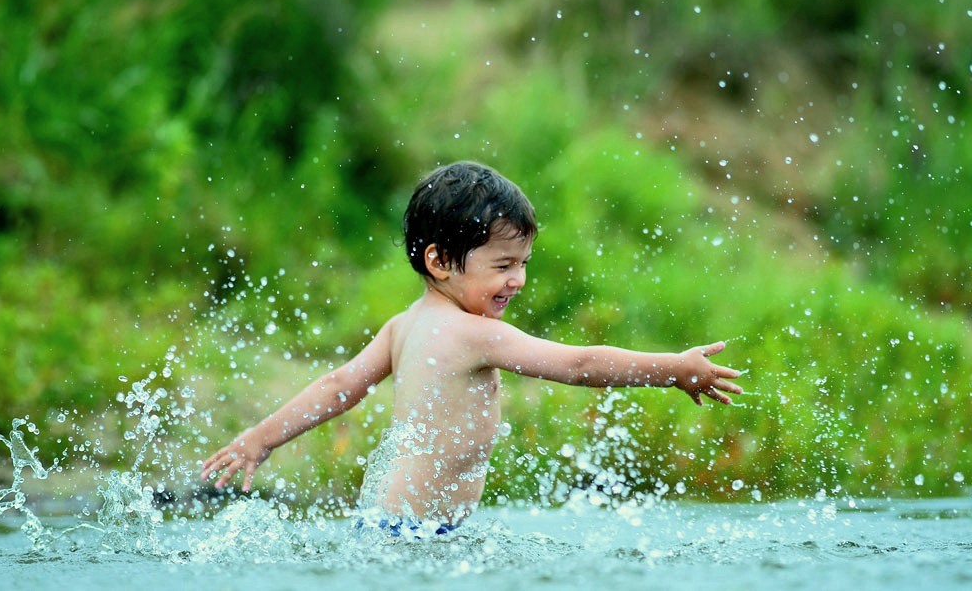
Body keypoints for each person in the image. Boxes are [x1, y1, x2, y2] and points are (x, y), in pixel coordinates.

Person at [200, 161, 742, 535]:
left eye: (524, 263)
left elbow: (338, 388)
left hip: (391, 525)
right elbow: (579, 364)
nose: (518, 281)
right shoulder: (474, 334)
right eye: (504, 266)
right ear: (438, 261)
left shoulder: (404, 325)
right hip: (420, 535)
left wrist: (259, 439)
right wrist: (673, 369)